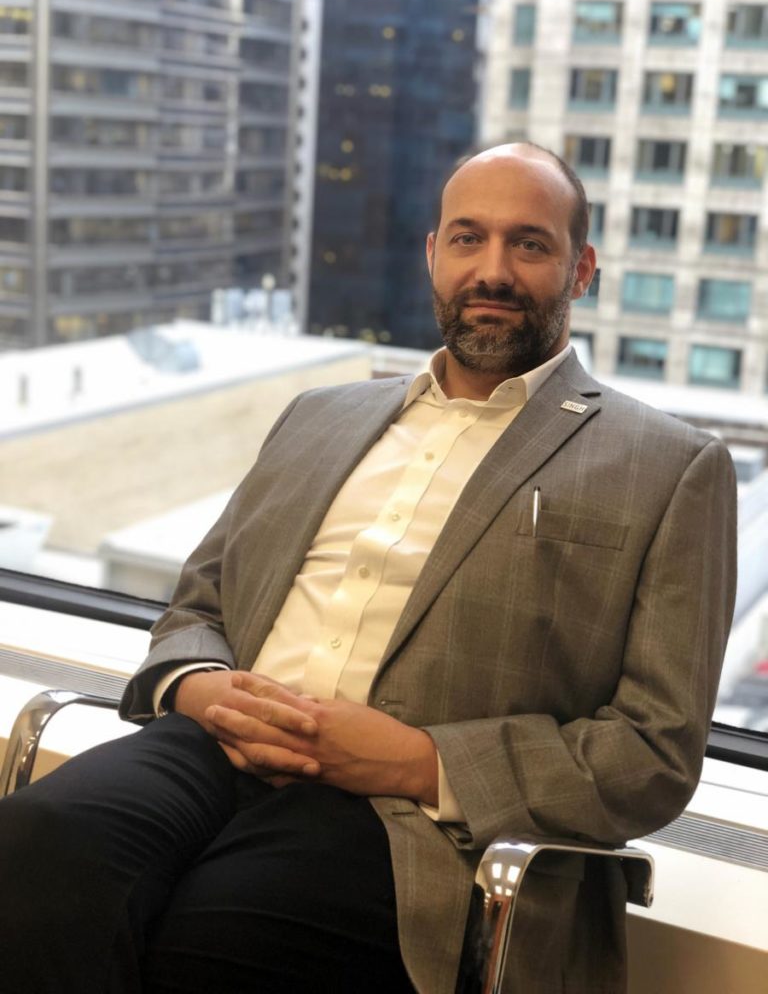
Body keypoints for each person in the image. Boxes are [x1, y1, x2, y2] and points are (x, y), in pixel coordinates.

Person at [0, 143, 737, 994]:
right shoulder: (320, 415)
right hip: (212, 744)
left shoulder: (670, 465)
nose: (491, 270)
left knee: (222, 933)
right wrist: (200, 685)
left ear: (582, 269)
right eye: (468, 239)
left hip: (407, 820)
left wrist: (418, 760)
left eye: (529, 244)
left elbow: (654, 751)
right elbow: (198, 602)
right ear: (433, 255)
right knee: (30, 848)